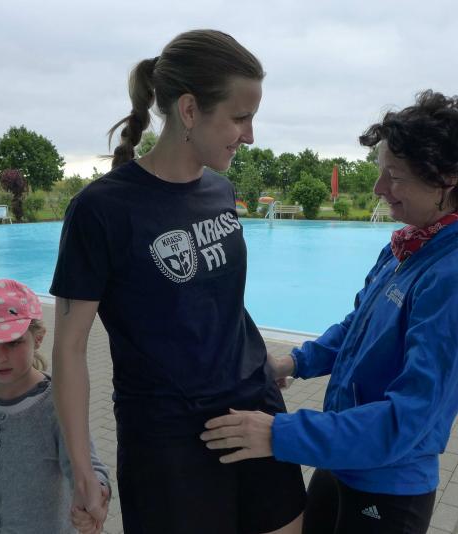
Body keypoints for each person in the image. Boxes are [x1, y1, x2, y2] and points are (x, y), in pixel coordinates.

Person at [201, 90, 458, 534]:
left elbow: (407, 418)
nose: (379, 189)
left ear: (447, 179)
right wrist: (293, 362)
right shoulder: (408, 247)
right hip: (343, 462)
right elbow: (357, 328)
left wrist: (278, 434)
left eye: (393, 176)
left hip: (390, 487)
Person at [50, 29, 306, 534]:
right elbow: (69, 348)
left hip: (254, 416)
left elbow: (218, 298)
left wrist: (256, 364)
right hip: (168, 441)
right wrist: (82, 469)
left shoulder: (220, 190)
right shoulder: (101, 209)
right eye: (240, 117)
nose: (250, 135)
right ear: (189, 110)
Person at [0, 279, 111, 534]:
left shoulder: (57, 404)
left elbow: (86, 467)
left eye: (13, 342)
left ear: (37, 338)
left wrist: (96, 496)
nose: (0, 357)